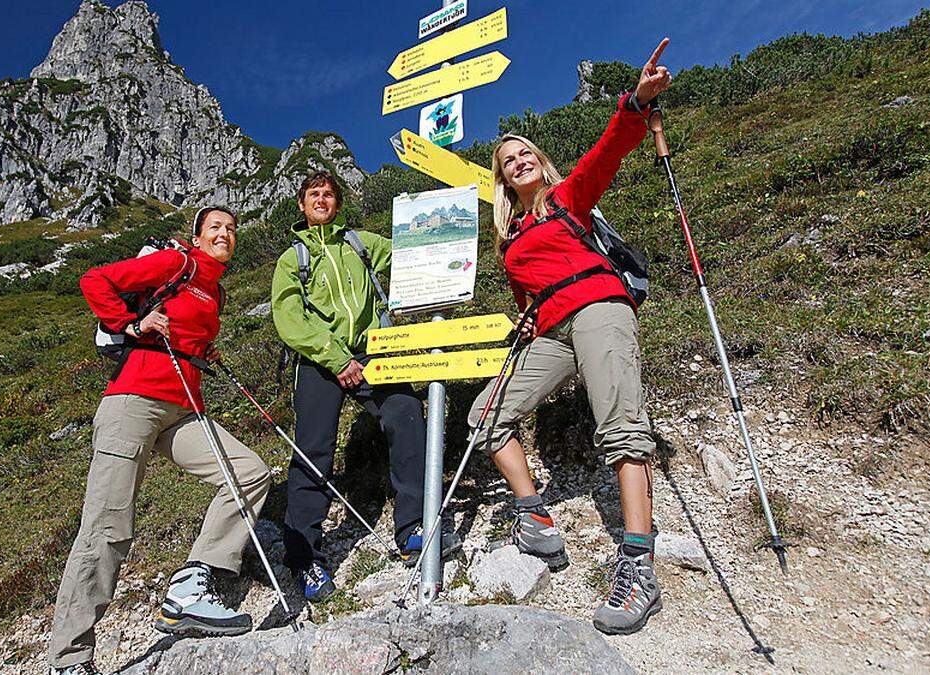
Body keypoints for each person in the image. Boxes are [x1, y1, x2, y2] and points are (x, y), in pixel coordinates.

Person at [466, 39, 673, 636]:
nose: (518, 162)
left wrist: (635, 102)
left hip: (601, 307)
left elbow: (606, 153)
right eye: (508, 161)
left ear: (539, 161)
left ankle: (638, 564)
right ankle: (535, 516)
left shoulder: (566, 200)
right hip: (553, 330)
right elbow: (527, 303)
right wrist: (527, 315)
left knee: (621, 427)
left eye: (525, 153)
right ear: (502, 181)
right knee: (486, 415)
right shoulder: (509, 246)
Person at [49, 207, 270, 675]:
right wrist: (130, 323)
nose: (225, 234)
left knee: (249, 473)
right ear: (197, 235)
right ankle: (68, 660)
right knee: (107, 529)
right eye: (215, 227)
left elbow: (187, 329)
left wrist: (201, 349)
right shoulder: (177, 264)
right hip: (133, 399)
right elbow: (96, 280)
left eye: (231, 229)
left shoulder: (218, 292)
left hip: (185, 407)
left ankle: (189, 588)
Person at [270, 172, 458, 603]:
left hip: (375, 351)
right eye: (314, 194)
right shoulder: (291, 259)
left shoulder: (360, 242)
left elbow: (408, 255)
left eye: (329, 194)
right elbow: (290, 318)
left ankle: (413, 528)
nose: (322, 199)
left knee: (406, 414)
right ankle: (305, 558)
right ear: (301, 204)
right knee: (313, 450)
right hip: (320, 361)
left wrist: (449, 224)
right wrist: (337, 360)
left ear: (337, 204)